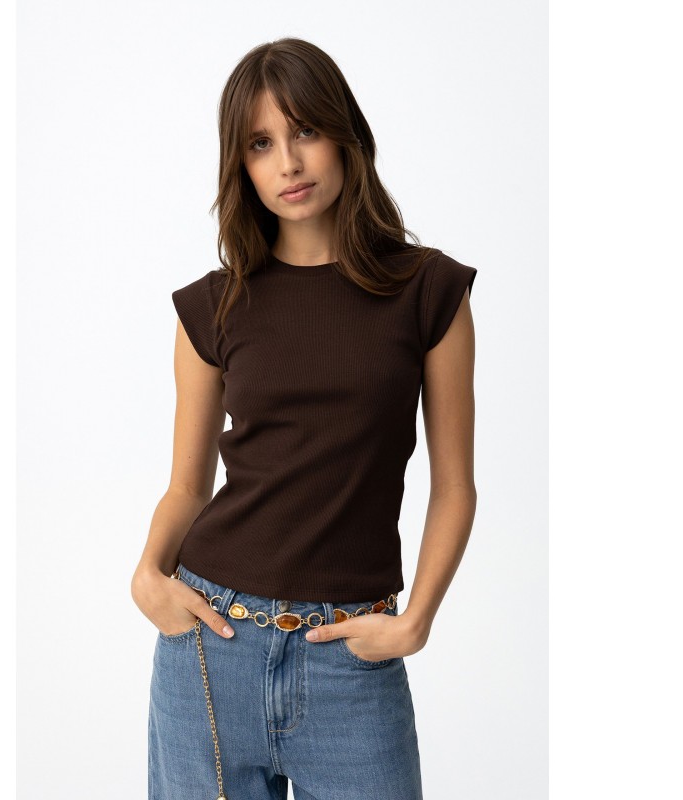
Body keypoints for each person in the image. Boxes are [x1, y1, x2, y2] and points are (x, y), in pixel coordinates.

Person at [131, 36, 478, 800]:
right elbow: (187, 487)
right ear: (241, 165)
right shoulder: (214, 306)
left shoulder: (429, 293)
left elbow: (455, 486)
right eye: (261, 144)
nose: (288, 162)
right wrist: (146, 576)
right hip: (210, 648)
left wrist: (417, 619)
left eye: (305, 131)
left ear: (345, 135)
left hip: (351, 658)